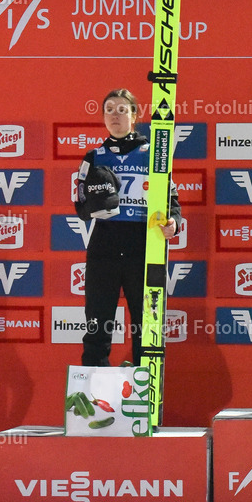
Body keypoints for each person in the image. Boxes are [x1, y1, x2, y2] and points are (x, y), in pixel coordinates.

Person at [73, 88, 181, 366]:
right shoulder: (93, 157)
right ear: (103, 118)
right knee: (97, 324)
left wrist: (174, 223)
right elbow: (81, 208)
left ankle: (146, 393)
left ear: (135, 116)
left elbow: (173, 204)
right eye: (109, 110)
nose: (115, 116)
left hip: (143, 248)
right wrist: (98, 203)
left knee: (146, 328)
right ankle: (96, 397)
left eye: (122, 110)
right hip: (104, 247)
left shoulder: (154, 154)